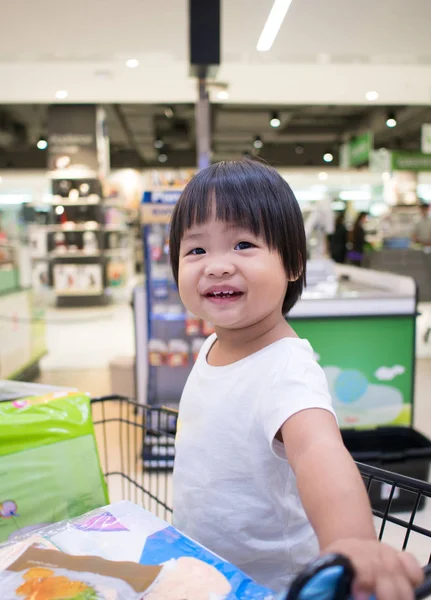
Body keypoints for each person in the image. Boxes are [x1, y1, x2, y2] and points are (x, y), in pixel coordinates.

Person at [169, 159, 422, 598]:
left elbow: (318, 451)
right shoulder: (213, 346)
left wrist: (352, 544)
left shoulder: (285, 369)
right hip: (207, 569)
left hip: (272, 585)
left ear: (293, 264)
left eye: (243, 244)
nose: (216, 266)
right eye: (196, 250)